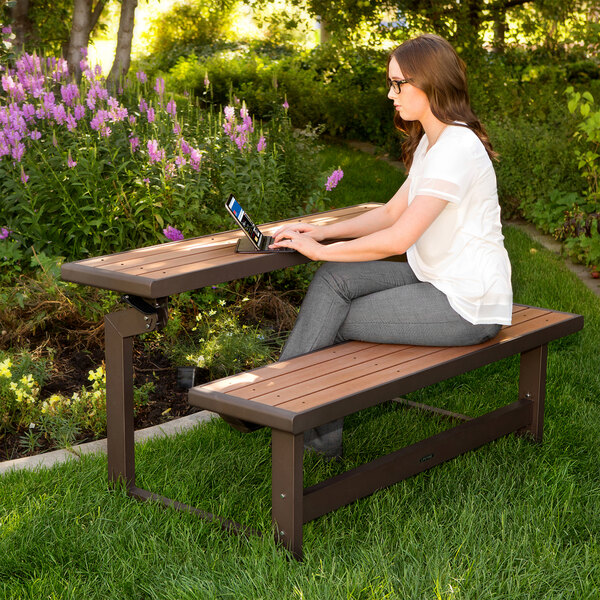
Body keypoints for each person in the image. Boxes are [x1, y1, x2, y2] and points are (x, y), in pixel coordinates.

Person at [270, 33, 513, 459]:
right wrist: (317, 232)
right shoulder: (432, 142)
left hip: (467, 303)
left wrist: (317, 250)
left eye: (397, 84)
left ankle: (284, 407)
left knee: (336, 318)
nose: (390, 94)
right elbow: (389, 214)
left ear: (429, 82)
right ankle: (292, 409)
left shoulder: (457, 147)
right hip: (434, 278)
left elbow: (400, 238)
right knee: (334, 282)